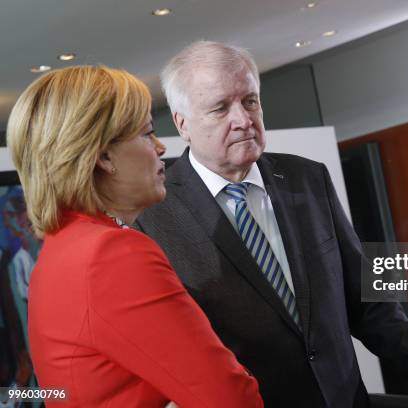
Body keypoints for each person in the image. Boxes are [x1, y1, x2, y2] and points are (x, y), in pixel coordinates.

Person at [136, 40, 408, 407]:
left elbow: (370, 305)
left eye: (250, 101)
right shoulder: (152, 212)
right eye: (220, 108)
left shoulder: (306, 177)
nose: (244, 120)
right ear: (183, 124)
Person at [6, 66, 263, 408]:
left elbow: (363, 273)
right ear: (103, 156)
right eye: (147, 132)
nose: (159, 147)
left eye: (250, 101)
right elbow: (230, 399)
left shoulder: (59, 249)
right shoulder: (112, 253)